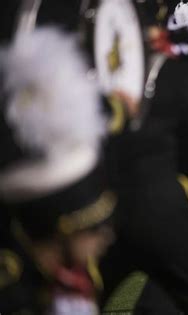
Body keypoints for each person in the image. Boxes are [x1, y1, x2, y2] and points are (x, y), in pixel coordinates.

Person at [96, 4, 188, 314]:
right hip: (164, 210)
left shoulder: (94, 76)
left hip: (103, 213)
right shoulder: (172, 71)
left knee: (75, 301)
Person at [0, 27, 114, 314]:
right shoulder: (15, 294)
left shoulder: (56, 276)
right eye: (93, 226)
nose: (107, 235)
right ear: (60, 228)